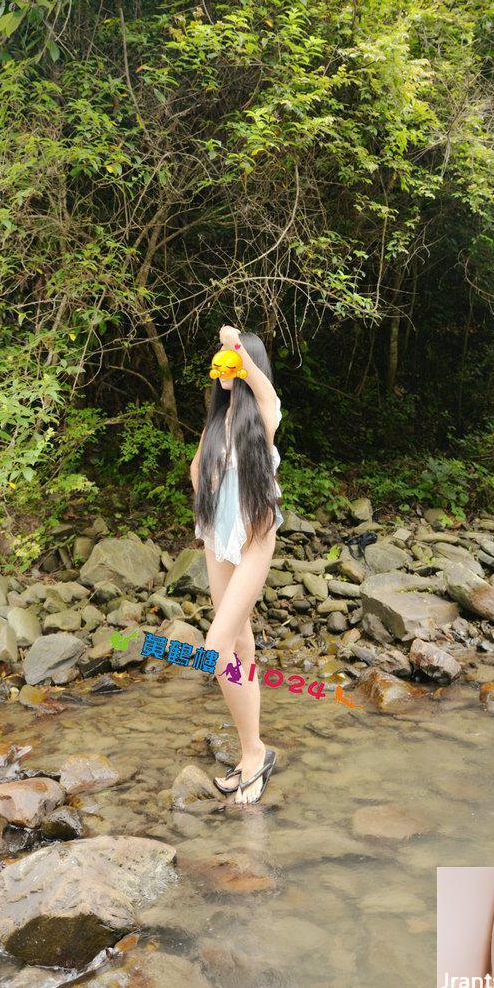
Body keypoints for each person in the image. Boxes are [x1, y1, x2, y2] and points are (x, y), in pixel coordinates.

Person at [190, 324, 283, 805]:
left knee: (215, 645)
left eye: (235, 357)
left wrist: (236, 347)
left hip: (252, 540)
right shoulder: (217, 419)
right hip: (216, 537)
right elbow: (196, 474)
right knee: (240, 645)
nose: (224, 361)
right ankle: (253, 750)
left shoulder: (264, 415)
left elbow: (261, 387)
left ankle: (255, 752)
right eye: (221, 355)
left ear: (248, 363)